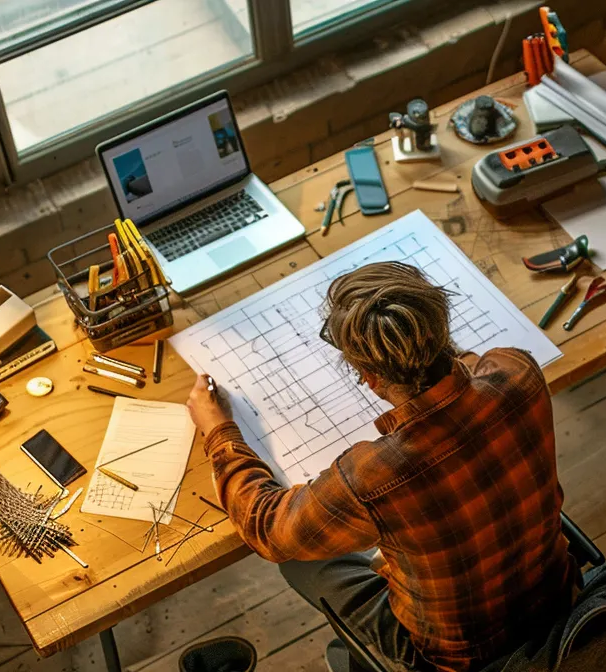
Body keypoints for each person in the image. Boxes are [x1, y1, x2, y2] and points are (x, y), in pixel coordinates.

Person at [186, 261, 577, 672]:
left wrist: (219, 430)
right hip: (558, 597)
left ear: (369, 378)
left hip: (461, 660)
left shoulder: (373, 476)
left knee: (300, 561)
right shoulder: (517, 371)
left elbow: (267, 528)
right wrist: (422, 343)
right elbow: (473, 363)